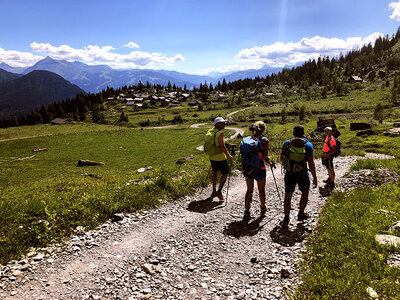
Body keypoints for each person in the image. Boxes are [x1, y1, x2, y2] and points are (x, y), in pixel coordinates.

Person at [280, 125, 317, 227]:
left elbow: (281, 158)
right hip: (303, 173)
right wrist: (314, 177)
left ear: (293, 133)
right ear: (303, 133)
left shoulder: (287, 143)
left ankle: (286, 218)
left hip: (289, 173)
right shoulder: (308, 145)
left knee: (288, 196)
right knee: (304, 193)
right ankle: (301, 213)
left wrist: (287, 163)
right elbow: (311, 162)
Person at [242, 121, 271, 221]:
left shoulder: (248, 140)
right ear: (263, 129)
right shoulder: (264, 140)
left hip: (248, 168)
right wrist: (270, 164)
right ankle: (262, 208)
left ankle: (247, 211)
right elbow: (265, 157)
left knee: (249, 190)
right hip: (260, 168)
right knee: (261, 190)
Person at [207, 117, 233, 200]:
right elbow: (222, 146)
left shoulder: (210, 131)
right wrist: (229, 155)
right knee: (225, 173)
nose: (224, 124)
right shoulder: (220, 133)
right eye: (222, 123)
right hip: (220, 157)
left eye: (224, 123)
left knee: (215, 173)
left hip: (212, 156)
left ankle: (214, 190)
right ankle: (219, 191)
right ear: (217, 124)